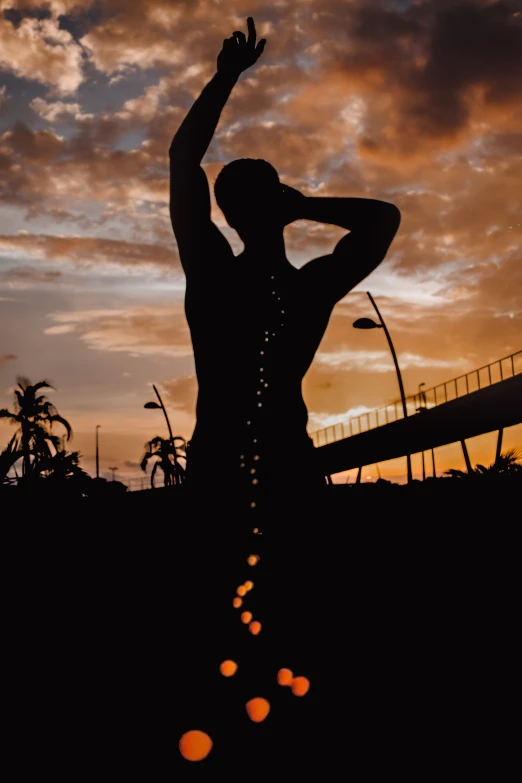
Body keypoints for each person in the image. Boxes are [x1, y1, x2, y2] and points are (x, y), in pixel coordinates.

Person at [169, 17, 401, 519]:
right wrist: (305, 206)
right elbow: (383, 219)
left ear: (225, 216)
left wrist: (226, 76)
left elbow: (183, 158)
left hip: (228, 460)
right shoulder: (308, 287)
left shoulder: (216, 276)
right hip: (276, 458)